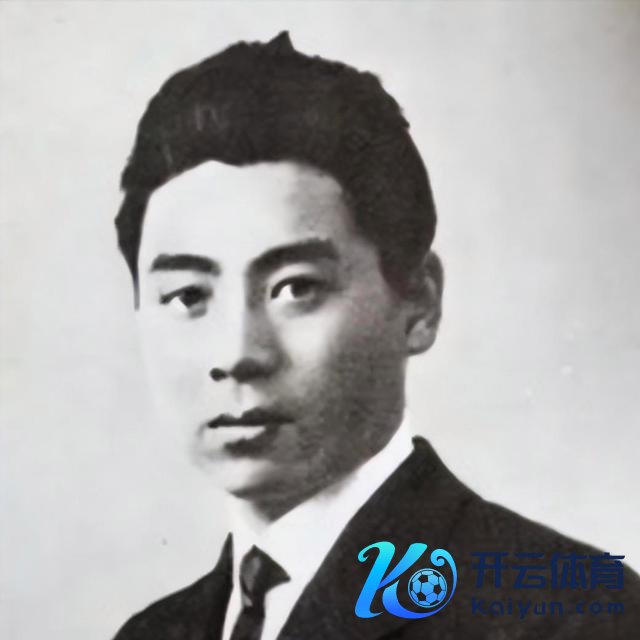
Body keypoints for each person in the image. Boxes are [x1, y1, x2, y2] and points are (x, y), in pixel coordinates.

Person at [112, 32, 639, 640]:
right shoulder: (154, 633)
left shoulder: (576, 616)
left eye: (296, 288)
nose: (237, 354)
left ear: (418, 303)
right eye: (188, 297)